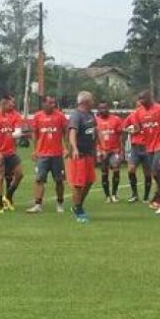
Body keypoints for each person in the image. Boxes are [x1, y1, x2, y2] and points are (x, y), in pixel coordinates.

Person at [131, 91, 160, 215]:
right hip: (149, 146)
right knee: (157, 175)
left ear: (150, 97)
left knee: (158, 171)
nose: (141, 100)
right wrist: (131, 130)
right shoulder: (138, 113)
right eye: (139, 98)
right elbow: (138, 128)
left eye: (143, 98)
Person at [27, 96, 68, 213]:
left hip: (57, 154)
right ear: (44, 104)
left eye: (54, 102)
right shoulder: (37, 116)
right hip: (43, 155)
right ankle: (38, 205)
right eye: (50, 102)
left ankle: (60, 203)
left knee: (59, 180)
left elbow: (66, 132)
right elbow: (35, 134)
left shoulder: (60, 116)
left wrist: (66, 148)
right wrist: (35, 150)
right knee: (39, 179)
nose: (53, 105)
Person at [0, 95, 24, 213]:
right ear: (4, 104)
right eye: (11, 103)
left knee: (19, 174)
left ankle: (8, 195)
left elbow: (17, 132)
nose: (13, 105)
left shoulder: (15, 115)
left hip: (11, 153)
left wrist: (14, 134)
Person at [67, 91, 98, 223]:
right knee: (79, 184)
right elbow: (72, 133)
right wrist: (74, 148)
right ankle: (78, 210)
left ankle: (78, 205)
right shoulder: (76, 115)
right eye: (91, 100)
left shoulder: (90, 114)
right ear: (85, 102)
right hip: (79, 154)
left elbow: (95, 131)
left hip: (89, 153)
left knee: (90, 181)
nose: (93, 102)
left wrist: (99, 148)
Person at [123, 94, 152, 203]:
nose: (139, 108)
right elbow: (124, 127)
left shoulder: (148, 115)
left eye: (141, 106)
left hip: (146, 146)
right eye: (138, 106)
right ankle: (134, 194)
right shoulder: (132, 116)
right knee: (131, 169)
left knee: (147, 172)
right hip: (135, 147)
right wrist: (130, 130)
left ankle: (146, 196)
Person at [94, 102, 124, 203]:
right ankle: (107, 196)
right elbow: (95, 137)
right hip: (102, 150)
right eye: (101, 108)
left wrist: (121, 151)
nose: (103, 110)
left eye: (105, 108)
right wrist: (98, 150)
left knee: (116, 169)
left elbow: (120, 136)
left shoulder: (116, 120)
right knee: (104, 172)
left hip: (114, 150)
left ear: (108, 108)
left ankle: (114, 194)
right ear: (98, 110)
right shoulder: (95, 121)